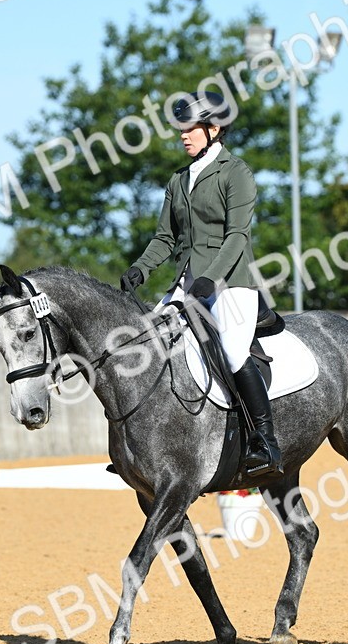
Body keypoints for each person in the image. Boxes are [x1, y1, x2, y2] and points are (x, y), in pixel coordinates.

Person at [120, 90, 283, 477]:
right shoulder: (178, 180)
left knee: (232, 349)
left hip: (230, 284)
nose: (183, 135)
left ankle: (266, 441)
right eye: (181, 129)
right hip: (186, 283)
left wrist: (212, 278)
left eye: (189, 128)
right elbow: (165, 238)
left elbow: (237, 236)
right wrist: (141, 269)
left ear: (214, 128)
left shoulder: (235, 172)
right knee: (143, 343)